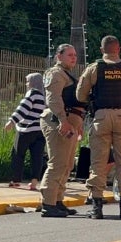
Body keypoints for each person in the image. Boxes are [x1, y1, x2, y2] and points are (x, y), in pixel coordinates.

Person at [76, 35, 121, 219]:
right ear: (119, 48)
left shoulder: (94, 68)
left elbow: (80, 95)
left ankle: (97, 207)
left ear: (101, 50)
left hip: (101, 117)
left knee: (98, 162)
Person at [38, 44, 87, 218]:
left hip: (69, 121)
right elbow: (54, 99)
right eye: (69, 55)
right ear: (59, 56)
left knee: (67, 164)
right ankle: (48, 204)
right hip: (57, 121)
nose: (74, 58)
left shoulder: (66, 74)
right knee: (58, 163)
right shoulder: (55, 73)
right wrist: (63, 120)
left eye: (75, 55)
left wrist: (76, 123)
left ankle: (57, 201)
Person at [4, 73, 47, 190]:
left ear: (33, 83)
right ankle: (34, 182)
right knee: (37, 157)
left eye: (28, 82)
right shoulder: (45, 97)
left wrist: (12, 121)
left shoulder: (32, 94)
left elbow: (22, 109)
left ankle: (16, 180)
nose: (27, 84)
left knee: (18, 154)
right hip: (40, 131)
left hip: (26, 130)